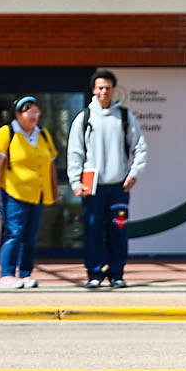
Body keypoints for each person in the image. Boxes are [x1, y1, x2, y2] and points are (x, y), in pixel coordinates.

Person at [66, 68, 147, 289]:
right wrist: (75, 182)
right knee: (92, 230)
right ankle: (94, 273)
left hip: (118, 186)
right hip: (92, 187)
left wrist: (134, 174)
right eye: (100, 87)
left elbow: (140, 147)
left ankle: (117, 273)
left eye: (108, 88)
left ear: (113, 90)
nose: (104, 91)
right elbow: (75, 152)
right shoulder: (84, 118)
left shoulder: (124, 117)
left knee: (118, 230)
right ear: (94, 90)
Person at [0, 95, 60, 289]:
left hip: (37, 193)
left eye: (36, 111)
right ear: (18, 114)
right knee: (14, 233)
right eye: (29, 111)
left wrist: (54, 187)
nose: (34, 116)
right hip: (13, 193)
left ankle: (26, 273)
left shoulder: (43, 134)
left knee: (30, 235)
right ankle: (7, 274)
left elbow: (51, 163)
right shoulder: (7, 132)